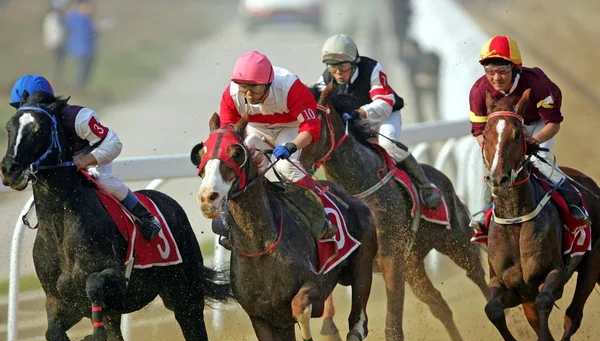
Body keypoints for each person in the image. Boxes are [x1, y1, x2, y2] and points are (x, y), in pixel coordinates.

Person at [9, 74, 162, 241]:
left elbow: (114, 144)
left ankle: (145, 217)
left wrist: (84, 160)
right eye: (19, 107)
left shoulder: (78, 118)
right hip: (63, 164)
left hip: (92, 157)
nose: (23, 113)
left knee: (103, 179)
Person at [469, 35, 590, 229]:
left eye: (502, 71)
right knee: (495, 166)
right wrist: (492, 151)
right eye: (490, 71)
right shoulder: (478, 90)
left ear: (515, 69)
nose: (496, 78)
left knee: (540, 162)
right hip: (505, 128)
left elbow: (553, 123)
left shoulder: (536, 82)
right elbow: (478, 131)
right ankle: (483, 213)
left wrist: (533, 141)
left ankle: (574, 205)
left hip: (539, 123)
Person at [217, 51, 337, 244]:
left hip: (290, 128)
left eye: (254, 89)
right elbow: (228, 134)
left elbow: (312, 127)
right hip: (257, 129)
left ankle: (319, 216)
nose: (248, 95)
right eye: (244, 88)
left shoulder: (290, 87)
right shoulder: (231, 95)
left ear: (269, 83)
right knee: (242, 162)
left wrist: (291, 146)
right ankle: (230, 222)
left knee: (284, 166)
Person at [315, 33, 442, 210]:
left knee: (387, 143)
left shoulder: (371, 69)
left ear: (354, 63)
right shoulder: (327, 78)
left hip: (384, 117)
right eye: (332, 67)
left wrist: (358, 113)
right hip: (353, 122)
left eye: (342, 66)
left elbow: (384, 103)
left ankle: (425, 186)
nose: (337, 72)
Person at [63, 0, 97, 95]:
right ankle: (78, 89)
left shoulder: (84, 18)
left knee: (86, 70)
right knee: (81, 70)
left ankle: (81, 89)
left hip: (86, 49)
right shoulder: (77, 18)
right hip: (81, 49)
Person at [43, 0, 69, 83]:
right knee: (56, 64)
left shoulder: (55, 17)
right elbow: (56, 33)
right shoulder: (54, 18)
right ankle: (54, 80)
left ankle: (56, 80)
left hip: (56, 44)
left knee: (58, 64)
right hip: (56, 44)